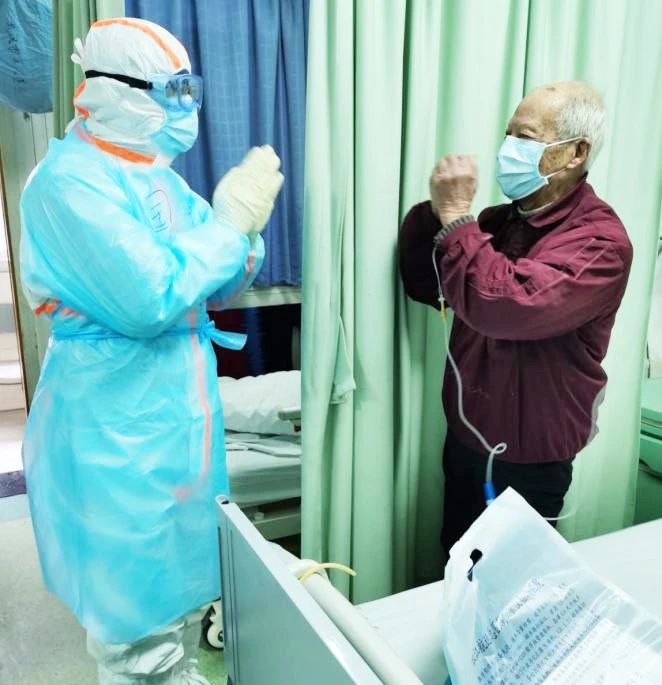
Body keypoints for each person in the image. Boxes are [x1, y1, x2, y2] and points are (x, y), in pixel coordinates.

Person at [20, 18, 283, 684]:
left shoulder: (159, 179)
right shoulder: (66, 184)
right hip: (114, 421)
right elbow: (149, 297)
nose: (187, 106)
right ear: (112, 90)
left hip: (179, 415)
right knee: (133, 613)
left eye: (191, 89)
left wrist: (243, 231)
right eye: (173, 90)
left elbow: (217, 283)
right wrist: (226, 229)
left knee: (181, 587)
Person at [398, 81, 632, 558]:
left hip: (532, 459)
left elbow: (505, 307)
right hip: (467, 439)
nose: (508, 149)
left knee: (517, 580)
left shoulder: (600, 243)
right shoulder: (497, 223)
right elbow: (426, 282)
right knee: (457, 561)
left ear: (576, 153)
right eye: (508, 134)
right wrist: (436, 215)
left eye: (524, 137)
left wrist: (457, 217)